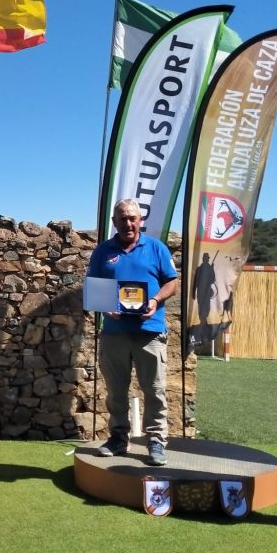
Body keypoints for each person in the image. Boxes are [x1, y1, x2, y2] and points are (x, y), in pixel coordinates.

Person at [86, 198, 178, 466]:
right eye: (122, 218)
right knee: (116, 391)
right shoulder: (103, 251)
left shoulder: (156, 248)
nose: (128, 223)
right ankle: (118, 440)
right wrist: (106, 308)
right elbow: (93, 288)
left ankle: (156, 442)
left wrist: (155, 301)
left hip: (149, 332)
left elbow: (172, 282)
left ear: (140, 221)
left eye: (132, 218)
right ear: (114, 222)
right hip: (114, 333)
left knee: (155, 390)